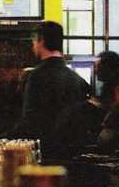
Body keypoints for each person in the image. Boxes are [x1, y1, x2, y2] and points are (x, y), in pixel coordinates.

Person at [9, 21, 91, 161]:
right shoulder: (76, 78)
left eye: (34, 42)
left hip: (45, 153)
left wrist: (6, 138)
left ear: (40, 41)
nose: (33, 46)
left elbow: (30, 119)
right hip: (71, 154)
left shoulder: (36, 76)